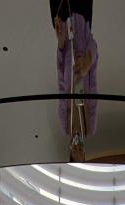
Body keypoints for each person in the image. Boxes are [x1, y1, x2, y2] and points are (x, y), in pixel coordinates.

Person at [52, 0, 98, 162]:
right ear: (86, 152)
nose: (77, 145)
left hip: (64, 28)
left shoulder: (64, 124)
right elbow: (93, 45)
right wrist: (88, 60)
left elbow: (61, 79)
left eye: (75, 150)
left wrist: (61, 42)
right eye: (81, 150)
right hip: (83, 24)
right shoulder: (90, 125)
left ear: (69, 150)